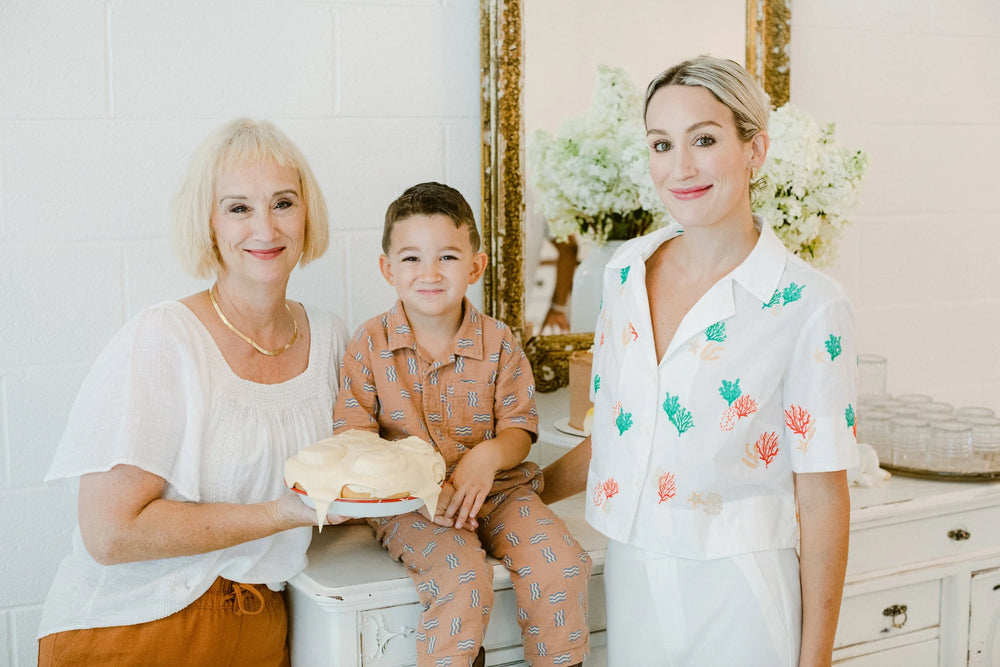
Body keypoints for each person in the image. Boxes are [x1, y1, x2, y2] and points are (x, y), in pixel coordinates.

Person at [539, 56, 858, 667]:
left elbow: (823, 496)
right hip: (633, 575)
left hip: (741, 592)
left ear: (754, 149)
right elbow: (618, 434)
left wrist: (815, 659)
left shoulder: (810, 305)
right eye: (662, 144)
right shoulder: (625, 272)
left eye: (704, 140)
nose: (680, 167)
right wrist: (516, 494)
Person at [37, 118, 351, 666]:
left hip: (262, 628)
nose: (265, 228)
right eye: (238, 208)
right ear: (208, 224)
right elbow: (109, 533)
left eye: (283, 203)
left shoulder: (329, 338)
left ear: (308, 214)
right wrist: (280, 514)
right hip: (134, 629)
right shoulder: (163, 338)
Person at [333, 182, 590, 667]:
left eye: (447, 257)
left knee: (562, 562)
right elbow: (355, 440)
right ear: (388, 269)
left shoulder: (501, 342)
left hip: (499, 491)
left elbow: (519, 428)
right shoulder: (368, 345)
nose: (430, 273)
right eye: (412, 258)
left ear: (475, 266)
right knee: (462, 579)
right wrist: (420, 487)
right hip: (409, 505)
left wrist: (487, 457)